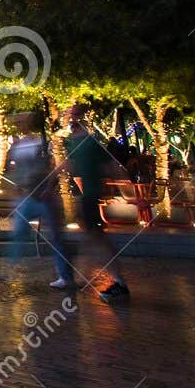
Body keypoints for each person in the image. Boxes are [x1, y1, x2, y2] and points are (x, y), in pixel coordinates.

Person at [65, 113, 132, 301]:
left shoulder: (84, 145)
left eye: (73, 125)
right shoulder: (89, 145)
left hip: (90, 197)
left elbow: (67, 167)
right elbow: (113, 168)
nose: (71, 130)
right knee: (95, 238)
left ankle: (117, 282)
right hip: (91, 196)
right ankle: (111, 278)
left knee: (96, 239)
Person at [6, 124, 77, 289]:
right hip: (32, 196)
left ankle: (65, 276)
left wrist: (48, 187)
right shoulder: (26, 147)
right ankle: (11, 263)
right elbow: (19, 171)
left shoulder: (40, 147)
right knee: (33, 233)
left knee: (55, 237)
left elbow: (53, 167)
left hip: (42, 196)